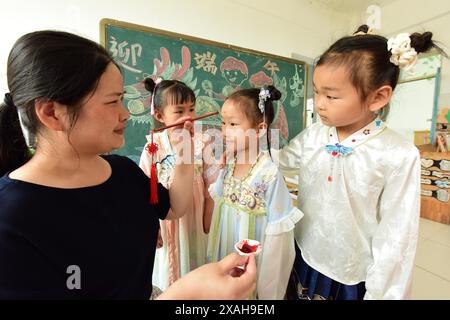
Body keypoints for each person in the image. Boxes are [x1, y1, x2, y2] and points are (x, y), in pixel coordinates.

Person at [0, 30, 255, 299]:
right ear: (52, 113)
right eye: (112, 102)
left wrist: (185, 158)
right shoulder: (11, 218)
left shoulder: (123, 172)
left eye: (122, 99)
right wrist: (185, 295)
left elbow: (175, 208)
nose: (125, 114)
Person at [273, 25, 445, 300]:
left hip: (350, 272)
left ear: (378, 97)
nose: (319, 103)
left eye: (331, 96)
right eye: (316, 92)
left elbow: (396, 238)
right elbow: (281, 162)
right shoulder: (315, 134)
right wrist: (246, 145)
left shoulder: (397, 154)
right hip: (305, 251)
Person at [207, 85, 303, 299]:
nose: (224, 131)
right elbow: (220, 211)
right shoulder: (229, 163)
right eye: (223, 123)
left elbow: (279, 242)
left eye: (233, 124)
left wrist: (269, 292)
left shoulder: (268, 174)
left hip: (250, 264)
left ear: (260, 129)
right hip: (225, 253)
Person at [139, 77, 217, 292]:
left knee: (194, 264)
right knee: (167, 266)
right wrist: (153, 228)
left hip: (194, 218)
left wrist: (207, 226)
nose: (188, 117)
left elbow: (212, 190)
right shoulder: (153, 147)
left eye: (192, 109)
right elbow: (145, 194)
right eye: (180, 111)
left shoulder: (202, 143)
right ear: (160, 115)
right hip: (164, 221)